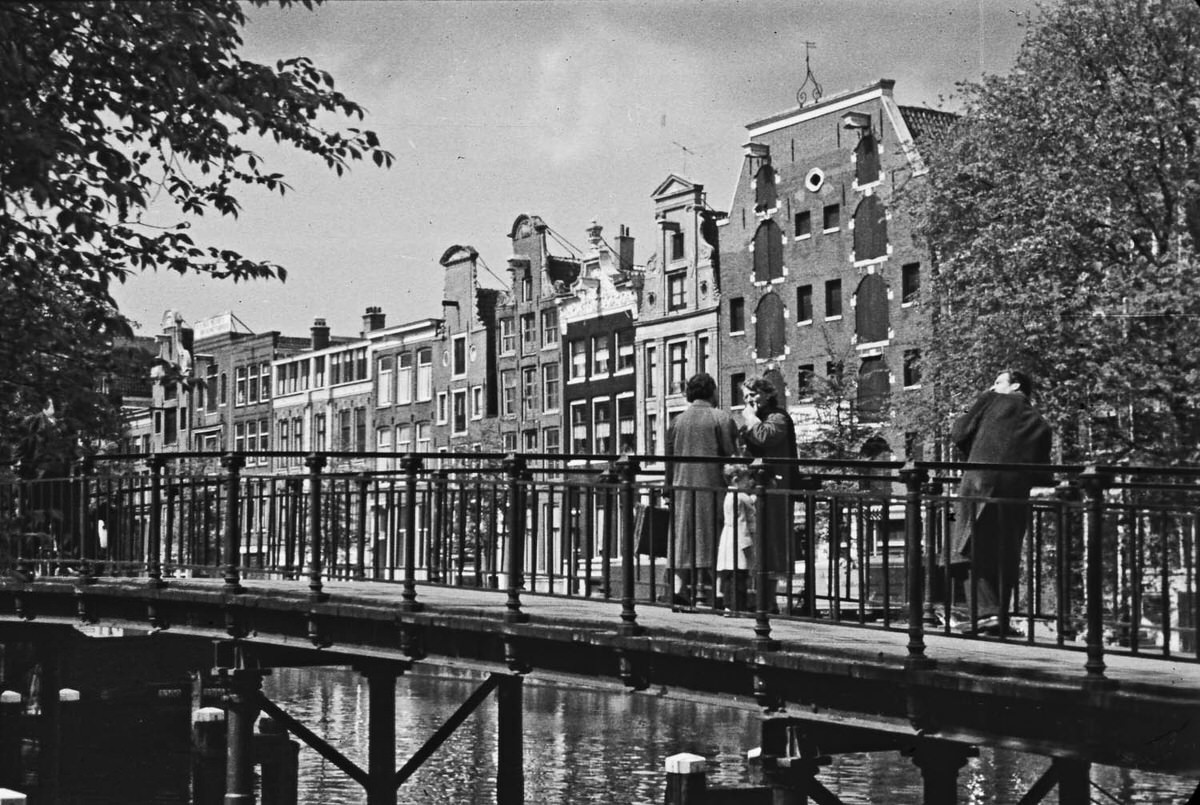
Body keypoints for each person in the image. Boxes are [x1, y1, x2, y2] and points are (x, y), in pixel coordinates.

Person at [950, 369, 1053, 635]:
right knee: (1005, 553)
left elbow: (959, 433)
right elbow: (1043, 472)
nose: (993, 386)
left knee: (966, 550)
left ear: (1015, 385)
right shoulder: (1041, 424)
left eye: (998, 382)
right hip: (1015, 495)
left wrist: (983, 399)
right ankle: (1000, 618)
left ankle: (986, 615)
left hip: (978, 487)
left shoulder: (992, 400)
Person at [664, 372, 739, 608]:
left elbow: (669, 460)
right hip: (712, 488)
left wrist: (669, 488)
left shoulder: (676, 422)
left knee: (681, 538)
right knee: (717, 538)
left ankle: (678, 590)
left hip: (681, 488)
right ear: (712, 391)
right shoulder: (721, 418)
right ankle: (717, 594)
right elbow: (732, 456)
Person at [738, 377, 798, 612]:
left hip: (773, 491)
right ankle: (756, 598)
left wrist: (750, 419)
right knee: (753, 541)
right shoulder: (757, 419)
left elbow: (765, 436)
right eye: (746, 396)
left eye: (753, 394)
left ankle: (769, 601)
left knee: (770, 543)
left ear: (767, 393)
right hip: (754, 489)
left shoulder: (779, 418)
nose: (749, 400)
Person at [716, 463, 756, 613]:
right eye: (746, 479)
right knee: (739, 575)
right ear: (736, 479)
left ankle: (728, 605)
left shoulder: (730, 496)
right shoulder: (738, 498)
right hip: (738, 540)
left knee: (730, 575)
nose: (749, 482)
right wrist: (747, 543)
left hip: (728, 538)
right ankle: (737, 606)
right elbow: (741, 522)